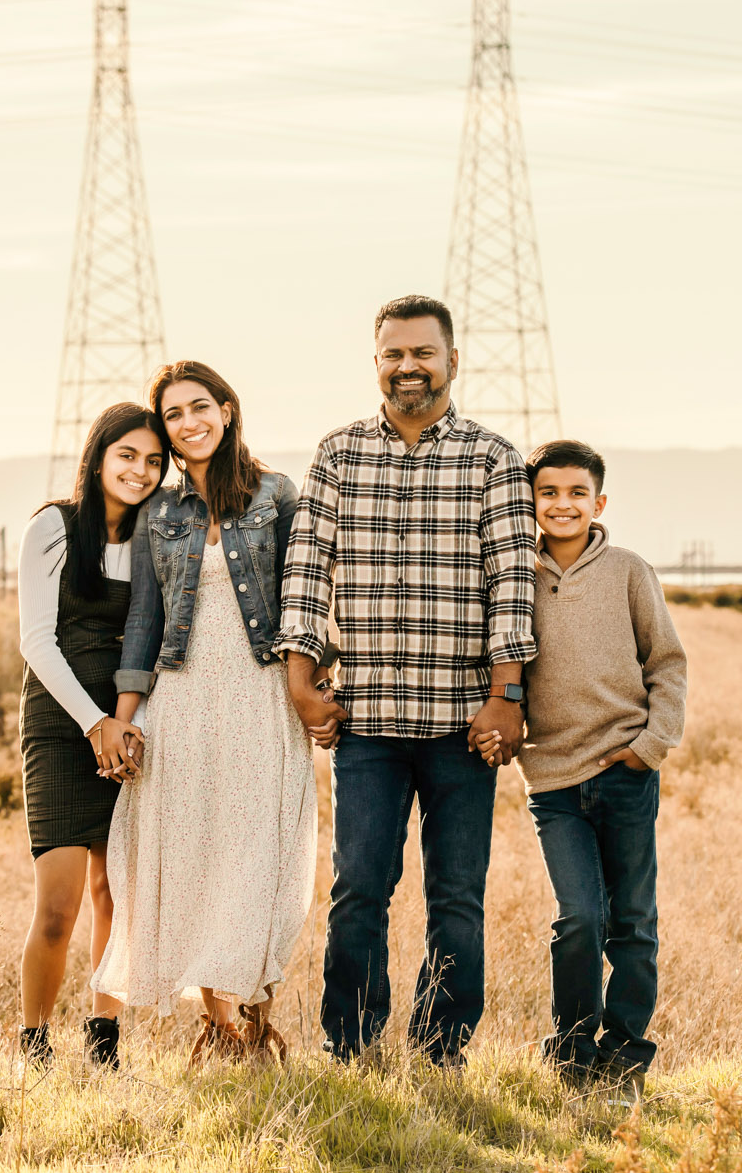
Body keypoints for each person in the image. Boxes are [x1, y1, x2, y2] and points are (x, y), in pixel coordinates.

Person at [276, 294, 539, 1068]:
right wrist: (300, 681)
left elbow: (511, 585)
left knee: (456, 897)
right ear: (378, 362)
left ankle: (440, 1049)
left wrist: (506, 694)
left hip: (464, 723)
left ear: (452, 361)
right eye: (394, 354)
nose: (408, 367)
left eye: (423, 353)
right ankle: (350, 1043)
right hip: (368, 723)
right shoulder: (338, 453)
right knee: (360, 887)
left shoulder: (492, 459)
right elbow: (304, 572)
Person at [93, 361, 319, 1066]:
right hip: (183, 699)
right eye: (173, 415)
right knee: (195, 856)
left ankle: (251, 1014)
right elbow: (143, 618)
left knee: (258, 856)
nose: (188, 423)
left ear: (226, 408)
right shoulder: (160, 514)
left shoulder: (278, 495)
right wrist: (126, 716)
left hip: (260, 695)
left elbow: (309, 596)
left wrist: (312, 681)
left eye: (199, 407)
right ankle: (225, 1031)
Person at [512, 439, 687, 1103]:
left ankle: (626, 1056)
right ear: (531, 501)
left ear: (599, 502)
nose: (563, 504)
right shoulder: (513, 578)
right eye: (549, 492)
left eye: (576, 493)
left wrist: (650, 745)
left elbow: (668, 663)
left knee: (633, 919)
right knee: (579, 915)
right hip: (553, 779)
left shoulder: (629, 571)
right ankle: (573, 1050)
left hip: (625, 772)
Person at [16, 402, 164, 1071]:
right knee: (59, 903)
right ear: (99, 455)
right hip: (61, 723)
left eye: (154, 461)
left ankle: (103, 1037)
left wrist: (124, 722)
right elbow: (36, 642)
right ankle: (34, 1044)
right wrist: (92, 722)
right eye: (128, 454)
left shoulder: (153, 537)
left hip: (129, 723)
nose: (141, 470)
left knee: (117, 892)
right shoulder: (53, 525)